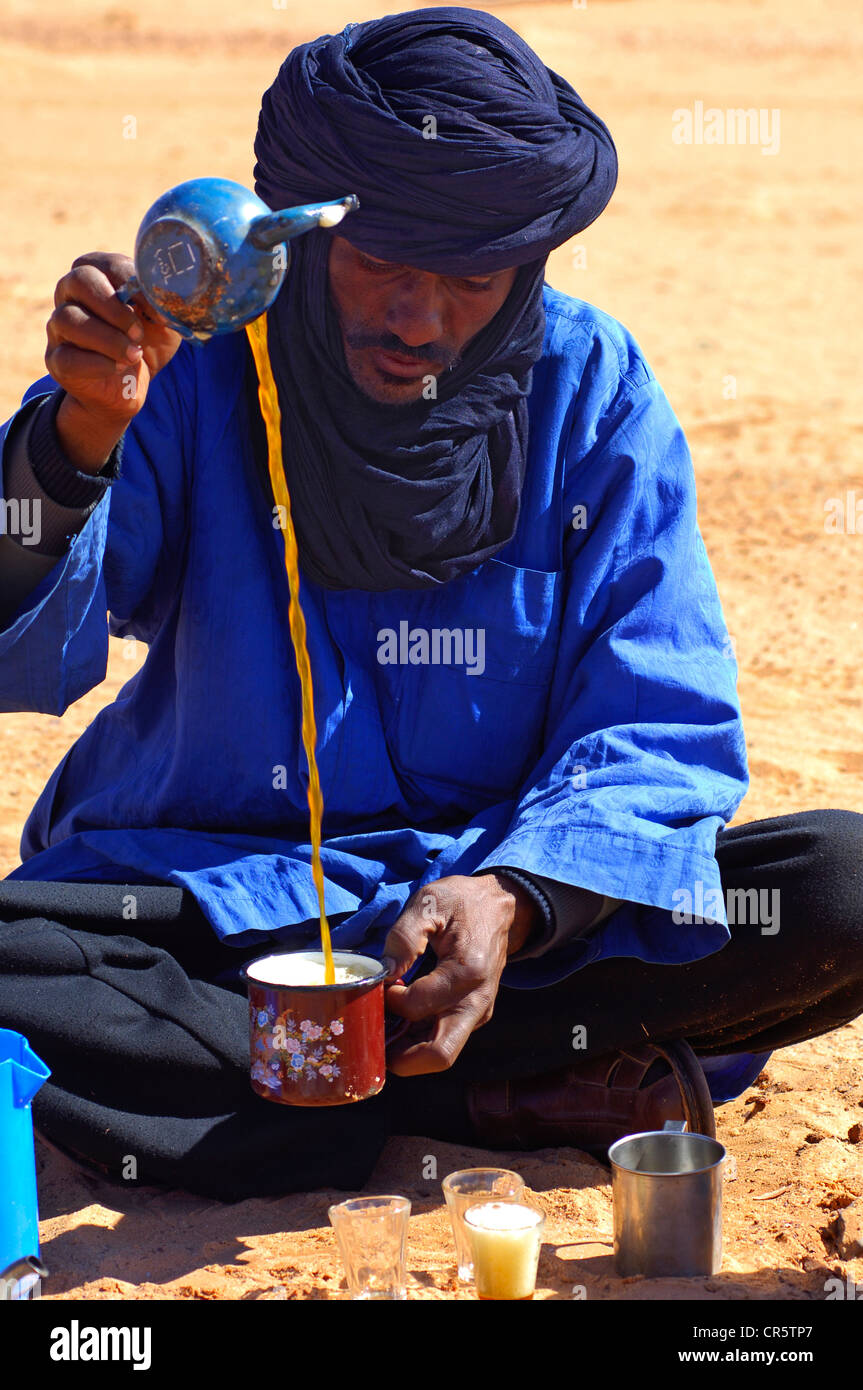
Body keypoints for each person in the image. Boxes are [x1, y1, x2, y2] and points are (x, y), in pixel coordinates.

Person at [0, 8, 860, 1201]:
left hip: (492, 926)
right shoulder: (199, 369)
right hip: (206, 902)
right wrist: (76, 439)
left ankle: (317, 1099)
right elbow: (26, 657)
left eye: (466, 276)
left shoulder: (591, 390)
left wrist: (516, 896)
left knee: (836, 884)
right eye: (380, 263)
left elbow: (656, 726)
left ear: (529, 260)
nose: (417, 320)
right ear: (298, 240)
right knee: (16, 954)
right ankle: (488, 1092)